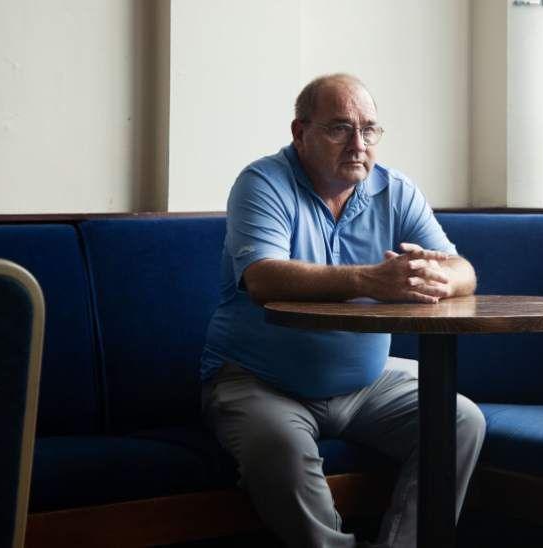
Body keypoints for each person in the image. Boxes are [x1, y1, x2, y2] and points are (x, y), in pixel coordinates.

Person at [200, 73, 485, 548]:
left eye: (369, 129)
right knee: (279, 449)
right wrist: (373, 280)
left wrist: (432, 277)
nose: (358, 143)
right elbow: (263, 277)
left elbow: (463, 271)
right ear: (300, 132)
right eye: (339, 128)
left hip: (367, 382)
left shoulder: (396, 190)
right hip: (260, 380)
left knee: (462, 420)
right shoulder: (263, 182)